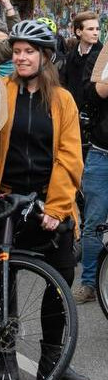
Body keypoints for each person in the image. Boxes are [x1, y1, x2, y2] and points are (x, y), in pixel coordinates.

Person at [0, 19, 90, 380]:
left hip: (49, 202)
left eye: (28, 52)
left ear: (45, 57)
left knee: (61, 279)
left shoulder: (62, 99)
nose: (20, 58)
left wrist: (56, 209)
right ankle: (6, 356)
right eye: (17, 51)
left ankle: (53, 361)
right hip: (3, 199)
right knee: (3, 281)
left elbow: (70, 157)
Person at [72, 39, 108, 305]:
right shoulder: (102, 54)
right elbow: (91, 93)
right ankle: (89, 283)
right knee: (94, 223)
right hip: (101, 152)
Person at [62, 11, 102, 112]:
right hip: (72, 112)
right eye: (90, 29)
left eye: (97, 29)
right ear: (79, 32)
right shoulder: (70, 57)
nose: (96, 32)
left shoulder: (103, 57)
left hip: (96, 118)